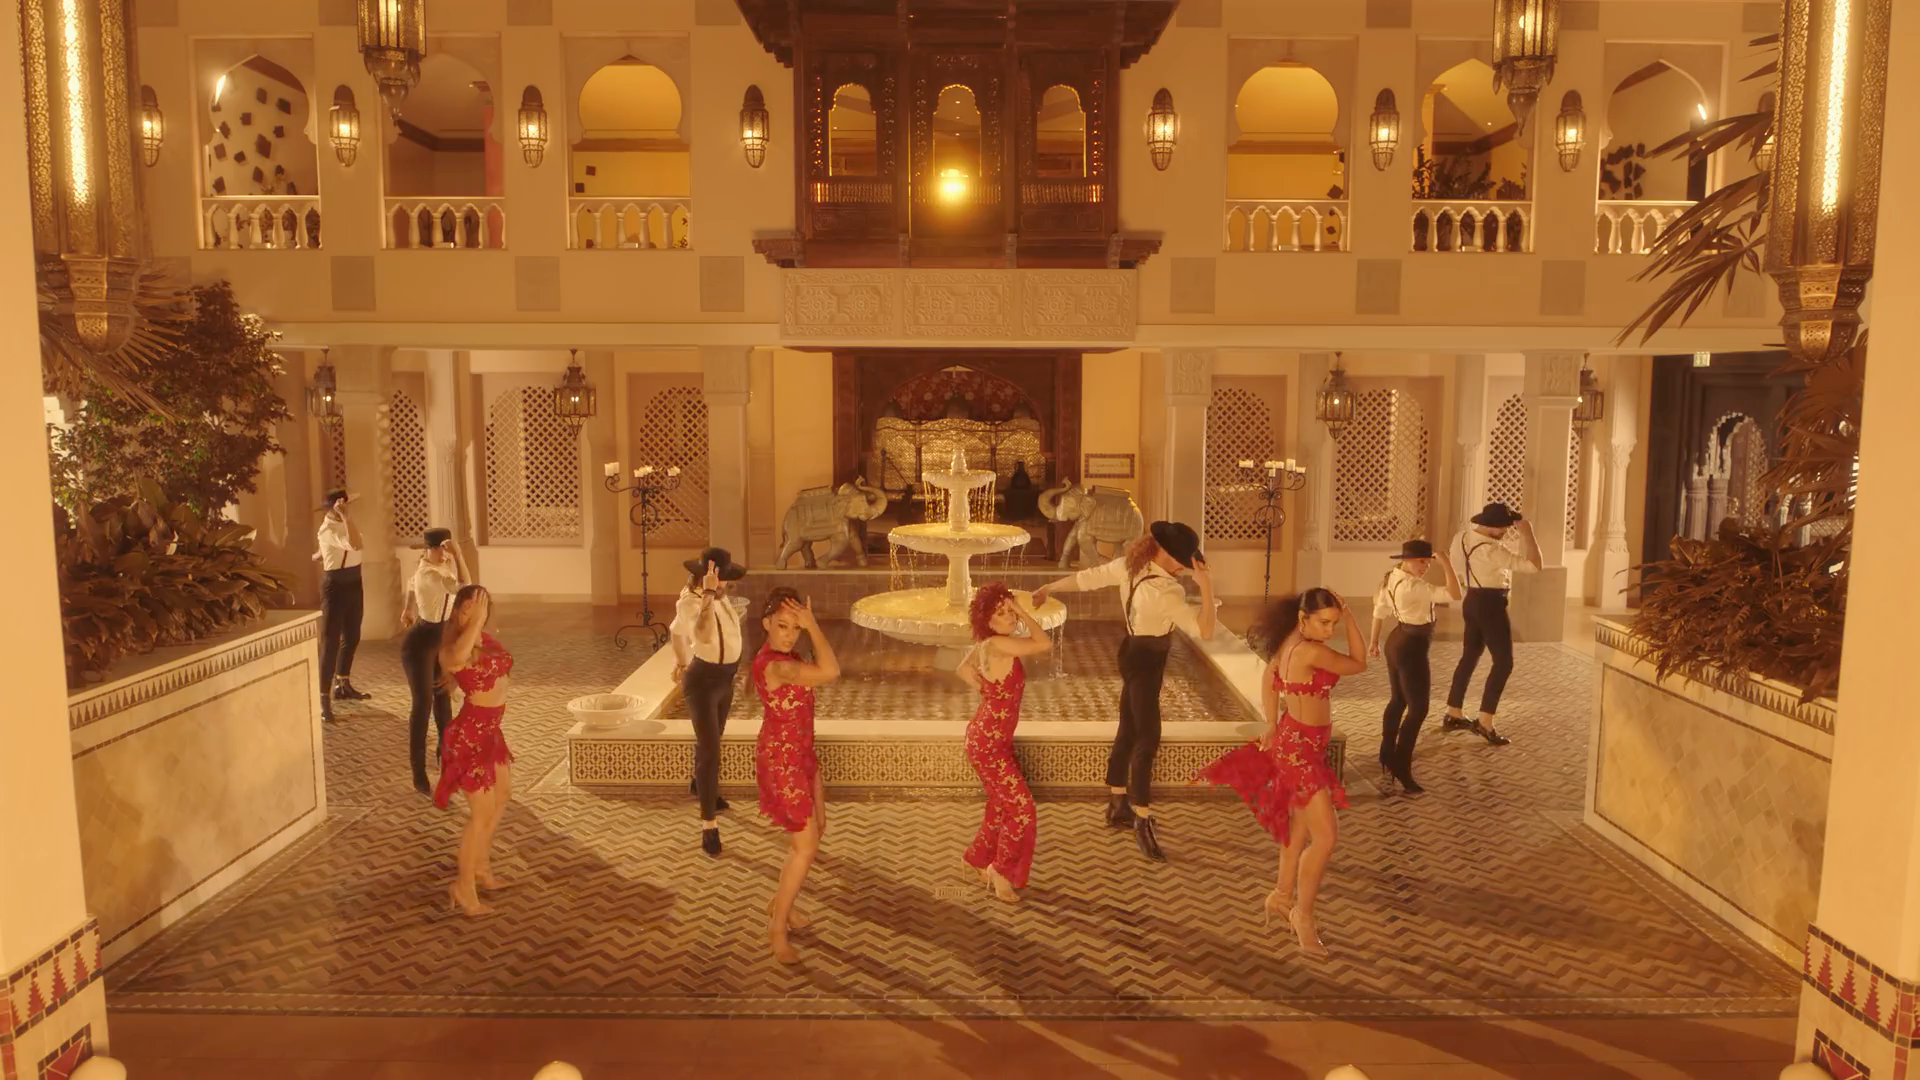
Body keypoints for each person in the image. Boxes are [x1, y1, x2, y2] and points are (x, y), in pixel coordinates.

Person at [1193, 588, 1365, 958]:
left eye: (1334, 623)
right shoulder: (1312, 651)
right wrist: (1353, 618)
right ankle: (1303, 916)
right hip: (1301, 752)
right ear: (1303, 618)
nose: (1329, 630)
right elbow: (1358, 663)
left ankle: (1281, 896)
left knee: (1299, 829)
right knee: (1326, 837)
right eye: (1324, 622)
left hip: (1296, 742)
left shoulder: (1291, 642)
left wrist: (1271, 723)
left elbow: (1270, 676)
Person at [1032, 520, 1215, 863]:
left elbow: (1087, 579)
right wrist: (1206, 588)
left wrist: (1049, 587)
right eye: (1181, 560)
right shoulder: (1166, 591)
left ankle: (1118, 802)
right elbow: (1205, 630)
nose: (1184, 566)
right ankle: (1141, 819)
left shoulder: (1131, 565)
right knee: (1148, 736)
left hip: (1131, 651)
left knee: (1129, 726)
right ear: (1165, 553)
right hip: (1149, 659)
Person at [752, 587, 841, 964]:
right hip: (782, 761)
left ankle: (780, 904)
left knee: (816, 830)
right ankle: (777, 928)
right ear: (766, 624)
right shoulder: (777, 666)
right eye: (782, 626)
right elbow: (831, 671)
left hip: (801, 754)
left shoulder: (788, 658)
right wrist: (813, 624)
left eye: (796, 628)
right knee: (805, 847)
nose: (790, 635)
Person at [955, 582, 1053, 903]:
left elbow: (961, 669)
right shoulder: (998, 644)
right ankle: (1001, 870)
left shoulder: (987, 644)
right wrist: (1023, 611)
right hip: (988, 745)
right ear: (987, 621)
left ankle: (976, 858)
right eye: (1001, 613)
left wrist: (988, 692)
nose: (1009, 617)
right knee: (1023, 810)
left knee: (1001, 805)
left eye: (1009, 611)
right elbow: (1043, 642)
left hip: (986, 740)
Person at [434, 586, 515, 917]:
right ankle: (463, 887)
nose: (475, 612)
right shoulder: (452, 649)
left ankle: (480, 867)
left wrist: (480, 624)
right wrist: (476, 621)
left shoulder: (485, 640)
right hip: (468, 738)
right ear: (456, 613)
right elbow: (457, 660)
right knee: (480, 815)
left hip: (491, 732)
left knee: (502, 797)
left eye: (481, 606)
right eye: (468, 608)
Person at [669, 547, 748, 858]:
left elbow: (676, 632)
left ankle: (699, 786)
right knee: (709, 750)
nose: (726, 583)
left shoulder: (720, 597)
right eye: (721, 578)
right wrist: (708, 596)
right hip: (703, 682)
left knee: (713, 741)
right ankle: (708, 825)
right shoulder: (690, 602)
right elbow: (700, 634)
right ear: (706, 578)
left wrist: (678, 660)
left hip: (725, 679)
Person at [1443, 503, 1542, 746]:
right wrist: (1528, 535)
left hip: (1471, 599)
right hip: (1490, 604)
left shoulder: (1460, 538)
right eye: (1504, 528)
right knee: (1504, 662)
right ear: (1492, 527)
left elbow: (1457, 566)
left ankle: (1453, 712)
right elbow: (1534, 566)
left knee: (1469, 656)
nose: (1506, 532)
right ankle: (1485, 721)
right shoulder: (1492, 550)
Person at [1367, 539, 1461, 794]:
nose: (1426, 567)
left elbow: (1378, 611)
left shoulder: (1392, 578)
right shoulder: (1413, 586)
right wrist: (1446, 562)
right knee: (1419, 709)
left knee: (1398, 700)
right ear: (1406, 560)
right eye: (1422, 561)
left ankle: (1387, 751)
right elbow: (1455, 594)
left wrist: (1374, 642)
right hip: (1411, 648)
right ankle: (1401, 764)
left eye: (1428, 562)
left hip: (1397, 641)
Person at [399, 528, 469, 796]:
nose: (444, 552)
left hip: (441, 640)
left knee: (443, 703)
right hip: (419, 644)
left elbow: (409, 584)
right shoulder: (429, 573)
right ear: (429, 549)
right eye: (440, 548)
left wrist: (408, 607)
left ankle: (446, 765)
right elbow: (464, 588)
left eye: (446, 547)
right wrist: (459, 556)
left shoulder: (435, 567)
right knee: (423, 704)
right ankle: (418, 772)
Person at [313, 488, 370, 721]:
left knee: (353, 635)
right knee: (330, 644)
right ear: (331, 508)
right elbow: (355, 544)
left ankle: (342, 684)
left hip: (354, 582)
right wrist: (345, 517)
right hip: (335, 587)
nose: (346, 509)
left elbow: (348, 545)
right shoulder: (327, 529)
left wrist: (320, 554)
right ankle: (322, 699)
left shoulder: (343, 524)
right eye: (340, 506)